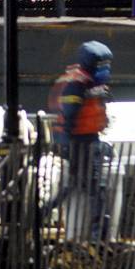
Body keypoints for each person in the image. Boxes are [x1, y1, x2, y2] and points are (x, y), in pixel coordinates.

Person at [48, 40, 114, 242]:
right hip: (79, 142)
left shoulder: (89, 82)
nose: (105, 69)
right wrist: (68, 143)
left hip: (85, 140)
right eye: (101, 64)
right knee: (95, 189)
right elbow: (69, 113)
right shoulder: (77, 84)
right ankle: (98, 237)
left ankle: (39, 214)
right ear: (89, 63)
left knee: (73, 185)